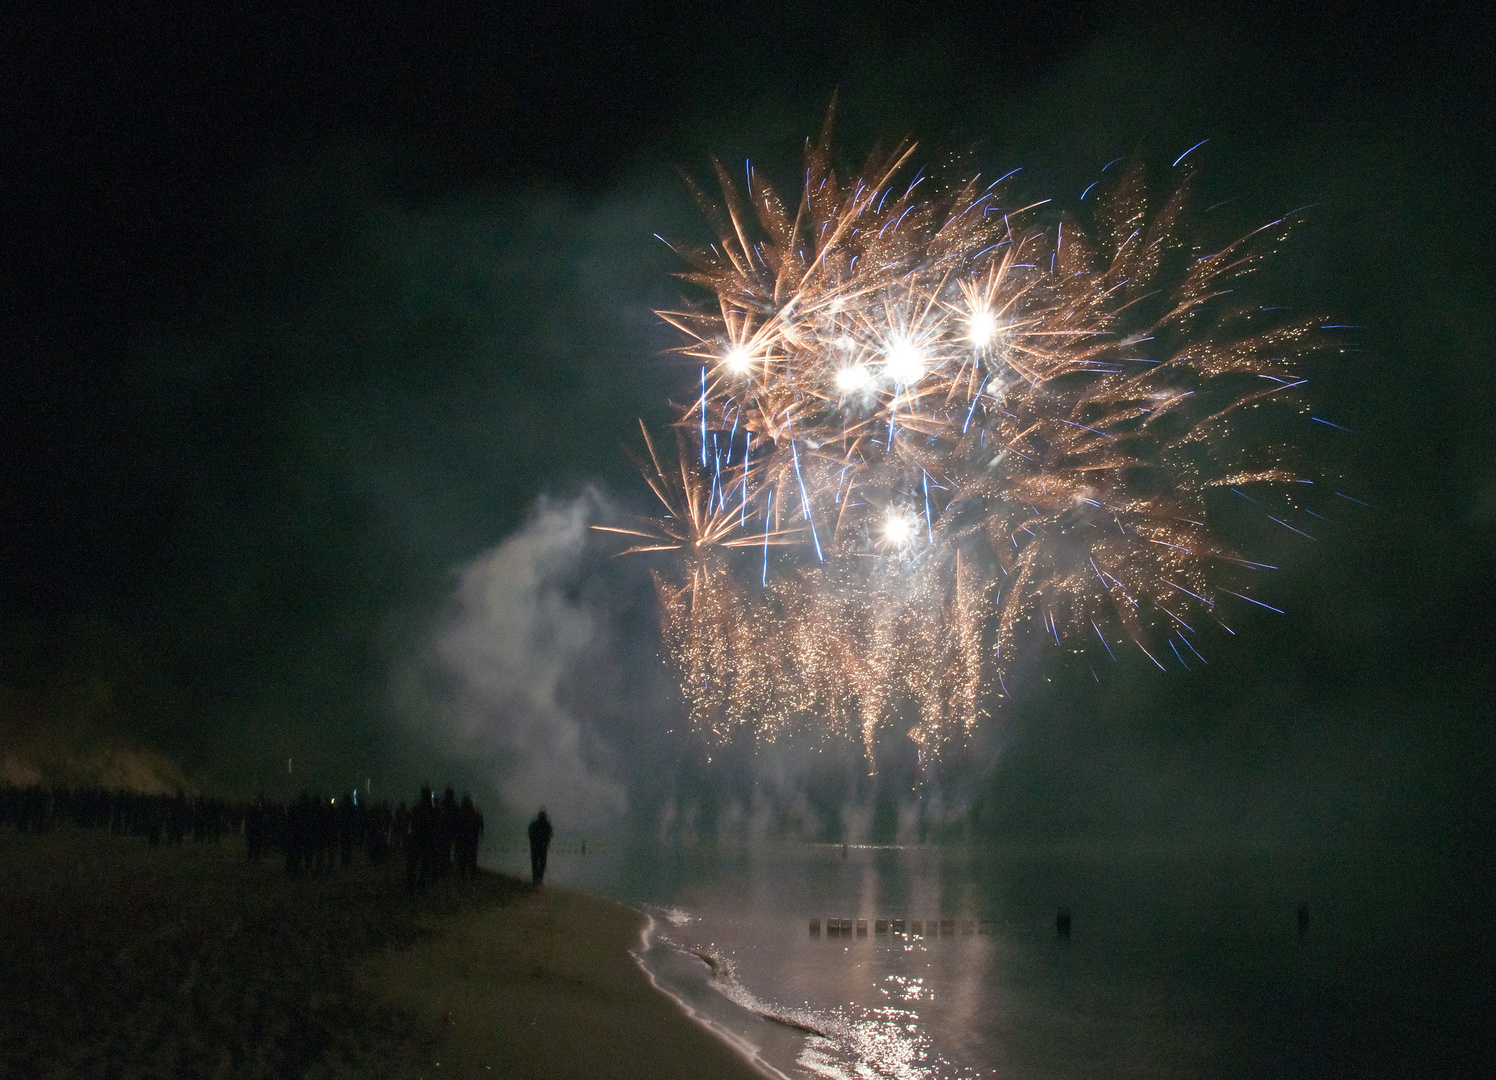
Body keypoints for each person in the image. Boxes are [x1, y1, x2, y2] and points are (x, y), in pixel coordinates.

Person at [527, 807, 553, 888]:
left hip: (535, 847)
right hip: (541, 847)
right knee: (541, 864)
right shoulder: (546, 825)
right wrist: (546, 843)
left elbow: (530, 835)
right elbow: (549, 835)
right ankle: (538, 880)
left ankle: (536, 880)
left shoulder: (534, 824)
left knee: (536, 864)